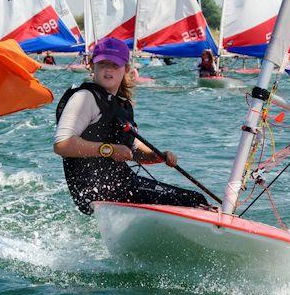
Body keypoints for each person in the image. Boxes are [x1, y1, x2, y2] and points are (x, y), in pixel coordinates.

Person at [54, 38, 208, 215]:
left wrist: (158, 156)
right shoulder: (85, 97)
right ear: (91, 66)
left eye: (115, 64)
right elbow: (62, 144)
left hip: (122, 184)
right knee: (194, 202)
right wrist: (109, 150)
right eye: (102, 63)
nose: (108, 69)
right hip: (96, 191)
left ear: (126, 69)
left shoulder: (120, 105)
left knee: (196, 200)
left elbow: (133, 150)